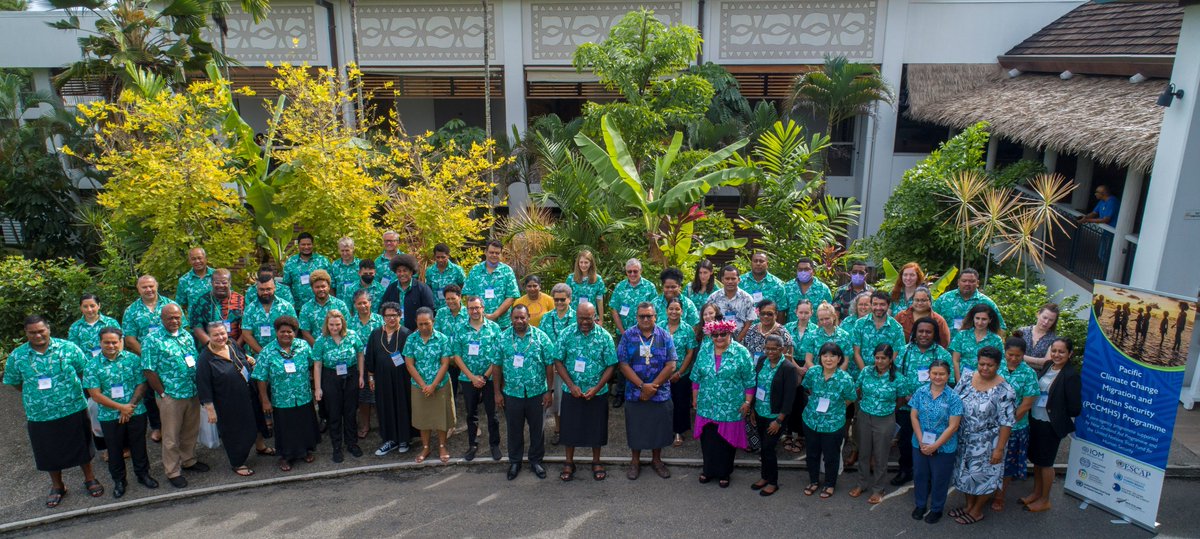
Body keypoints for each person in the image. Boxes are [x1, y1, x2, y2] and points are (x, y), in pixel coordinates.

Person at [6, 316, 104, 506]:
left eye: (41, 330)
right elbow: (15, 382)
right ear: (26, 333)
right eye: (32, 332)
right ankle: (58, 486)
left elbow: (84, 371)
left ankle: (90, 478)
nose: (38, 335)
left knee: (82, 445)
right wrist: (39, 396)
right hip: (40, 414)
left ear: (48, 329)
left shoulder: (68, 348)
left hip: (73, 407)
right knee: (48, 451)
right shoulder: (17, 356)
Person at [141, 304, 208, 488]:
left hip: (192, 392)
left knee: (190, 430)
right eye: (170, 318)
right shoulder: (152, 340)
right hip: (170, 395)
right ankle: (172, 471)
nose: (174, 321)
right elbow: (148, 369)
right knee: (171, 436)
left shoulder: (186, 335)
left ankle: (189, 460)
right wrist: (162, 393)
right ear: (161, 319)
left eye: (177, 317)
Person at [85, 327, 157, 498]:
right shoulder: (92, 365)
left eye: (114, 342)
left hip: (135, 411)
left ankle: (143, 475)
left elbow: (142, 384)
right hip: (109, 415)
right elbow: (95, 394)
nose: (111, 345)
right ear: (100, 343)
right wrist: (120, 408)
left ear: (120, 341)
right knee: (115, 449)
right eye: (106, 342)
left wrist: (129, 406)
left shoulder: (133, 360)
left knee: (139, 445)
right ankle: (119, 481)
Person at [196, 322, 271, 477]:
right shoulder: (205, 359)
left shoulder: (232, 345)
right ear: (208, 337)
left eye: (223, 333)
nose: (220, 337)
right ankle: (238, 462)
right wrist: (210, 409)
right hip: (228, 402)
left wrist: (249, 359)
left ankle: (261, 447)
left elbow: (242, 356)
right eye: (216, 335)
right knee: (235, 432)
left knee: (257, 422)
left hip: (249, 394)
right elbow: (204, 385)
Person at [950, 346, 1014, 525]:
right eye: (982, 364)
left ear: (998, 365)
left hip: (989, 443)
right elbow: (955, 400)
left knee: (985, 477)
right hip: (964, 438)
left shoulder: (1005, 390)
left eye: (990, 365)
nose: (985, 368)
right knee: (965, 473)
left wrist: (999, 449)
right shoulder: (968, 377)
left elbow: (1007, 422)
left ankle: (977, 511)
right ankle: (968, 506)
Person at [554, 301, 617, 481]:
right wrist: (571, 385)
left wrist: (597, 388)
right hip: (571, 389)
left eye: (588, 318)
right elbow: (558, 360)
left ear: (595, 317)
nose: (584, 322)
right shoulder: (566, 334)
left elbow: (611, 365)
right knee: (569, 427)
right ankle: (568, 462)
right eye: (581, 318)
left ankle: (596, 461)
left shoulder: (604, 337)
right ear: (576, 316)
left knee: (596, 428)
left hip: (596, 391)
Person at [493, 305, 555, 480]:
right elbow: (496, 366)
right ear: (511, 319)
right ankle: (515, 461)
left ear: (528, 317)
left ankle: (536, 461)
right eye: (516, 318)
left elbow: (549, 364)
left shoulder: (541, 337)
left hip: (537, 392)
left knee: (538, 429)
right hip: (512, 393)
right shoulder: (502, 338)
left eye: (522, 317)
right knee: (514, 429)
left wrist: (549, 391)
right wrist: (497, 392)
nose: (519, 321)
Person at [616, 303, 677, 480]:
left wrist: (652, 387)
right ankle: (635, 462)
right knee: (637, 427)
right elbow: (623, 364)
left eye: (649, 316)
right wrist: (643, 386)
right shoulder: (628, 336)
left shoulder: (664, 336)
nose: (645, 319)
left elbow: (671, 364)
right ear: (637, 317)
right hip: (635, 392)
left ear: (655, 317)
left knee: (658, 427)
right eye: (642, 316)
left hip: (660, 392)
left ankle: (657, 460)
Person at [691, 320, 754, 488]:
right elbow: (696, 377)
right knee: (708, 440)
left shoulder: (741, 352)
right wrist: (695, 398)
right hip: (707, 403)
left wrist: (748, 402)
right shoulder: (704, 351)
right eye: (715, 335)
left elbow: (749, 380)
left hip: (731, 405)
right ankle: (708, 470)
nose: (719, 337)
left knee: (726, 441)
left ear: (730, 333)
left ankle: (724, 473)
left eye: (723, 334)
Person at [252, 316, 320, 471]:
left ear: (295, 332)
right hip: (282, 399)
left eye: (289, 332)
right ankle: (286, 457)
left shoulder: (303, 346)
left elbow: (313, 366)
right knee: (286, 429)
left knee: (304, 425)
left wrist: (315, 387)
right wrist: (265, 400)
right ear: (276, 332)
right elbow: (261, 378)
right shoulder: (268, 351)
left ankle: (305, 451)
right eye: (282, 332)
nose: (286, 334)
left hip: (303, 396)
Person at [1022, 337, 1081, 513]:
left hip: (1051, 424)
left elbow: (1074, 408)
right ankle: (1036, 493)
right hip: (1036, 419)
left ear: (1069, 354)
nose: (1056, 354)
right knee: (1038, 461)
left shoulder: (1071, 375)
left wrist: (1055, 407)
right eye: (1054, 350)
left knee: (1046, 463)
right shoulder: (1048, 365)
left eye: (1061, 351)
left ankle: (1045, 499)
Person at [893, 317, 954, 486]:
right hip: (907, 406)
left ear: (934, 334)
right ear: (914, 333)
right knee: (905, 441)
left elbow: (950, 381)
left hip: (933, 409)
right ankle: (905, 470)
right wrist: (905, 394)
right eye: (921, 331)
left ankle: (928, 477)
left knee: (930, 441)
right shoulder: (904, 351)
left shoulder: (942, 354)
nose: (924, 335)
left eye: (928, 332)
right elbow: (896, 375)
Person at [122, 275, 179, 443]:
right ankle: (157, 426)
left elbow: (181, 328)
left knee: (171, 390)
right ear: (138, 289)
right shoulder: (132, 311)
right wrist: (149, 356)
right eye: (144, 287)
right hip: (145, 359)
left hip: (170, 357)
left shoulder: (170, 305)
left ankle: (175, 424)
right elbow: (130, 338)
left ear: (157, 286)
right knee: (150, 393)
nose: (148, 289)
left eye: (151, 286)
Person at [851, 343, 908, 504]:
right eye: (877, 357)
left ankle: (878, 489)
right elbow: (858, 390)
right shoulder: (866, 371)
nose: (880, 361)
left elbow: (901, 399)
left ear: (891, 359)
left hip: (885, 418)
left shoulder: (898, 378)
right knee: (863, 452)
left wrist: (888, 409)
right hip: (864, 416)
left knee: (880, 455)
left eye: (884, 358)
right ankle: (861, 484)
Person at [801, 342, 858, 499]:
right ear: (820, 358)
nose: (828, 359)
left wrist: (836, 407)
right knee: (812, 454)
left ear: (839, 358)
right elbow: (807, 388)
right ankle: (813, 481)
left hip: (833, 424)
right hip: (811, 420)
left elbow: (851, 398)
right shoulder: (813, 372)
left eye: (833, 356)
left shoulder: (845, 379)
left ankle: (829, 484)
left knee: (831, 455)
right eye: (825, 355)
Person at [910, 359, 963, 524]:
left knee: (940, 478)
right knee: (920, 475)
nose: (938, 377)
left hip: (944, 446)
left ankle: (936, 508)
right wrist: (921, 441)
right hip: (920, 442)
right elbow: (913, 416)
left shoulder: (954, 397)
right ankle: (920, 505)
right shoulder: (920, 392)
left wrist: (935, 445)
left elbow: (953, 426)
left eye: (942, 374)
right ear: (929, 374)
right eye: (934, 373)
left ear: (948, 376)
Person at [451, 297, 503, 461]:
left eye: (477, 308)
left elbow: (498, 355)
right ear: (467, 310)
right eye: (471, 308)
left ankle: (494, 445)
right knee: (471, 414)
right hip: (468, 379)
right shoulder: (460, 328)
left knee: (492, 414)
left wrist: (485, 376)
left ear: (483, 308)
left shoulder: (494, 328)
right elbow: (457, 355)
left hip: (489, 378)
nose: (474, 311)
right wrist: (472, 377)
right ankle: (472, 445)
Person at [993, 336, 1039, 512]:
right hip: (992, 424)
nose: (1013, 358)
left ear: (1023, 355)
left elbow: (1027, 403)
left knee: (1007, 464)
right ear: (1005, 353)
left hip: (1016, 426)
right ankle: (986, 490)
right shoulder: (996, 367)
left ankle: (1000, 496)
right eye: (1010, 354)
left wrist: (1008, 422)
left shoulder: (1028, 374)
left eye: (1018, 356)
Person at [312, 310, 365, 462]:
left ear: (343, 323)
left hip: (350, 375)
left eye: (337, 324)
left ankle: (352, 443)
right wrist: (318, 387)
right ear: (326, 324)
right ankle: (336, 446)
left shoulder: (352, 335)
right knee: (334, 414)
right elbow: (317, 365)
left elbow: (360, 354)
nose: (334, 328)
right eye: (331, 325)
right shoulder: (321, 340)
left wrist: (361, 375)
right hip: (330, 377)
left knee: (350, 412)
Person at [403, 307, 455, 464]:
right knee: (423, 417)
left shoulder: (442, 339)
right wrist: (423, 385)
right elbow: (409, 364)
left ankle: (442, 445)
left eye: (427, 323)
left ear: (433, 321)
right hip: (419, 385)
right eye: (420, 324)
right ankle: (426, 447)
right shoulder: (411, 339)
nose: (424, 327)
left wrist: (433, 385)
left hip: (440, 384)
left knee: (441, 417)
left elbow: (445, 363)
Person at [750, 335, 797, 496]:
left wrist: (779, 420)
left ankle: (773, 482)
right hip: (760, 411)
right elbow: (756, 385)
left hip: (775, 416)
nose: (769, 351)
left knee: (769, 448)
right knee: (763, 448)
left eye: (774, 348)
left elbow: (790, 397)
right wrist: (752, 410)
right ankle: (764, 477)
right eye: (767, 348)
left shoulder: (788, 368)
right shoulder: (762, 360)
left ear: (782, 349)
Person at [366, 302, 415, 456]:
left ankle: (404, 439)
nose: (391, 318)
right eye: (388, 315)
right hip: (382, 379)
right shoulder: (375, 334)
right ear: (383, 317)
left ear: (400, 316)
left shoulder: (407, 334)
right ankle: (390, 440)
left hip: (403, 380)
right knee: (385, 407)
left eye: (394, 315)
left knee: (402, 406)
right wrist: (371, 378)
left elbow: (412, 359)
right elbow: (370, 359)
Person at [540, 283, 576, 444]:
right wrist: (551, 364)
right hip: (552, 367)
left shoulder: (577, 317)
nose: (559, 303)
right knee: (556, 400)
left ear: (569, 299)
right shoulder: (547, 318)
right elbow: (542, 342)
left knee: (572, 399)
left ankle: (573, 430)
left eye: (563, 299)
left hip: (572, 367)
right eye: (556, 300)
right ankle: (558, 429)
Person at [347, 289, 383, 440]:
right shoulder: (349, 323)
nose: (363, 306)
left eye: (365, 302)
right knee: (363, 397)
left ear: (370, 303)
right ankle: (365, 424)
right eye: (359, 303)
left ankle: (384, 424)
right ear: (354, 305)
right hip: (359, 366)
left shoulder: (380, 320)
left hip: (379, 364)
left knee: (381, 395)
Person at [661, 298, 697, 447]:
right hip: (662, 373)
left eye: (677, 309)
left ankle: (678, 431)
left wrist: (679, 372)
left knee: (681, 402)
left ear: (682, 311)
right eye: (671, 309)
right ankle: (664, 430)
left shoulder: (687, 329)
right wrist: (664, 373)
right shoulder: (659, 327)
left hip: (681, 374)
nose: (674, 312)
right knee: (663, 402)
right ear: (666, 310)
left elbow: (690, 353)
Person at [463, 240, 521, 330]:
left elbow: (511, 297)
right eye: (491, 252)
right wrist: (478, 312)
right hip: (479, 323)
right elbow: (469, 294)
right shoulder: (475, 270)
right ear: (485, 252)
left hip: (502, 324)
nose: (494, 255)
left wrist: (495, 315)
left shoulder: (507, 271)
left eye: (497, 253)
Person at [932, 268, 1005, 337]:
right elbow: (930, 321)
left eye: (972, 281)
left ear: (977, 283)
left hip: (976, 348)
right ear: (958, 282)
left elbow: (1001, 327)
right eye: (964, 281)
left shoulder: (987, 303)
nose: (967, 284)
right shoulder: (944, 299)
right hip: (946, 347)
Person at [241, 272, 297, 356]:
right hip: (257, 356)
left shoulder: (286, 307)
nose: (265, 292)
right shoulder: (250, 309)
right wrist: (264, 354)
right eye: (262, 289)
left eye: (268, 289)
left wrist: (282, 352)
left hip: (282, 355)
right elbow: (246, 334)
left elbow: (294, 330)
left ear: (274, 288)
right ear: (257, 289)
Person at [852, 291, 906, 375]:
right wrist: (866, 373)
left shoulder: (896, 328)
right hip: (862, 373)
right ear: (871, 305)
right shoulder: (860, 324)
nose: (878, 307)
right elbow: (856, 352)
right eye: (875, 304)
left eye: (882, 304)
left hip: (887, 376)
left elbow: (896, 354)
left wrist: (882, 374)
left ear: (888, 305)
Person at [188, 268, 245, 347]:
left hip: (237, 348)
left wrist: (236, 348)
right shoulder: (201, 301)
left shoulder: (241, 300)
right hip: (210, 349)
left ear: (230, 283)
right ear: (211, 283)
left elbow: (247, 327)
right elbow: (196, 327)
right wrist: (212, 347)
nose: (221, 285)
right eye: (217, 283)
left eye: (224, 282)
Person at [381, 254, 436, 331]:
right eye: (399, 271)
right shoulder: (391, 289)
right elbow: (383, 309)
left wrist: (418, 330)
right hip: (395, 333)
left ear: (411, 271)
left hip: (417, 333)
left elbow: (430, 310)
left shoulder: (422, 289)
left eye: (405, 270)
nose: (402, 274)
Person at [950, 304, 1004, 382]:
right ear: (973, 318)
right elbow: (955, 360)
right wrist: (959, 382)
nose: (980, 322)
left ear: (990, 320)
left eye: (984, 319)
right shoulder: (962, 335)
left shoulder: (996, 340)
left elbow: (1000, 363)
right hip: (962, 379)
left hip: (985, 380)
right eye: (977, 318)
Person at [298, 270, 350, 346]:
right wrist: (319, 348)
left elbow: (347, 328)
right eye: (317, 287)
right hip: (316, 350)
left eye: (323, 286)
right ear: (312, 288)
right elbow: (305, 333)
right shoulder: (306, 308)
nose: (321, 289)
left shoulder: (340, 305)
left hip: (339, 348)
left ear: (328, 287)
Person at [708, 265, 758, 342]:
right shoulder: (713, 298)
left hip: (740, 341)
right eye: (727, 279)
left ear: (738, 280)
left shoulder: (747, 299)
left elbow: (749, 322)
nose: (730, 281)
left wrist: (737, 340)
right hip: (717, 340)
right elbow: (709, 319)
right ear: (722, 280)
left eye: (733, 279)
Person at [282, 232, 332, 308]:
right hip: (297, 307)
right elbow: (286, 286)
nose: (306, 247)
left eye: (309, 244)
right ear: (298, 245)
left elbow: (330, 284)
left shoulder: (323, 261)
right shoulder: (290, 263)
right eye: (303, 244)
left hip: (320, 306)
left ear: (313, 245)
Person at [610, 257, 658, 335]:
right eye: (629, 271)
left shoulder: (650, 287)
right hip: (623, 332)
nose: (632, 274)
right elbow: (614, 310)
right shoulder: (620, 287)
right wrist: (623, 333)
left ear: (641, 271)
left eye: (635, 271)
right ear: (626, 272)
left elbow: (655, 310)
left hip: (645, 334)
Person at [69, 294, 121, 360]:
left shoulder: (111, 323)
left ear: (99, 305)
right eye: (85, 306)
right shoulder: (75, 327)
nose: (89, 310)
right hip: (85, 365)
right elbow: (74, 349)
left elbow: (120, 342)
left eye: (92, 306)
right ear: (81, 308)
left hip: (109, 364)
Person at [566, 249, 606, 323]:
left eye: (586, 262)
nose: (583, 265)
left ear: (591, 263)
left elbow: (599, 300)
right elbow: (566, 299)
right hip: (574, 318)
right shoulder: (571, 278)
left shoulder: (598, 279)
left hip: (591, 318)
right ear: (578, 263)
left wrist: (601, 319)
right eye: (581, 262)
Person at [425, 243, 466, 311]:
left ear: (448, 256)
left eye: (443, 257)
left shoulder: (457, 270)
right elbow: (428, 289)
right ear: (434, 256)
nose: (440, 260)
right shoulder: (430, 271)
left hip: (453, 308)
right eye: (438, 257)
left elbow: (463, 287)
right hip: (436, 309)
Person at [175, 247, 213, 314]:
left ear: (206, 258)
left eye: (200, 258)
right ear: (189, 261)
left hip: (217, 322)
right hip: (195, 322)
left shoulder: (217, 276)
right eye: (193, 259)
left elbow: (230, 298)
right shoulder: (184, 280)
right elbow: (180, 305)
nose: (197, 261)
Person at [331, 236, 362, 304]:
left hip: (358, 304)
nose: (345, 253)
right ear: (339, 250)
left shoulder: (360, 265)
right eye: (342, 251)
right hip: (340, 304)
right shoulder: (334, 266)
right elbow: (332, 287)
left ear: (353, 249)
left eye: (347, 250)